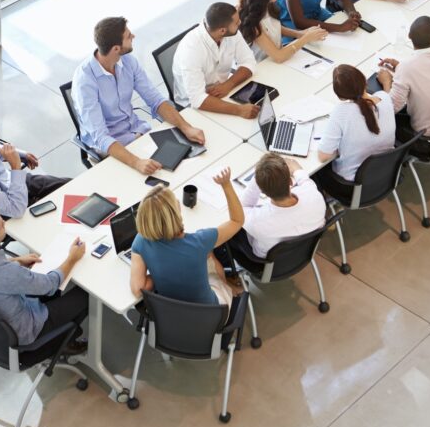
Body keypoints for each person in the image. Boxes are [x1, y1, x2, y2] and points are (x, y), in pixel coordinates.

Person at [72, 17, 206, 176]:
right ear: (116, 48)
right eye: (129, 36)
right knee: (155, 180)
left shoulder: (127, 61)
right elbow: (101, 137)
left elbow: (155, 99)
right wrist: (137, 162)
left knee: (186, 164)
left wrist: (186, 127)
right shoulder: (84, 82)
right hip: (110, 147)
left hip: (136, 130)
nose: (133, 36)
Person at [0, 206, 89, 357]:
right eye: (2, 225)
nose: (5, 223)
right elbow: (50, 285)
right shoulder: (6, 274)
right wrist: (72, 258)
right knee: (86, 294)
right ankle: (64, 342)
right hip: (27, 329)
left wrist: (17, 261)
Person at [129, 168, 242, 306]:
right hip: (212, 317)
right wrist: (226, 185)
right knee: (209, 255)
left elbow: (137, 289)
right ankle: (229, 288)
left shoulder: (140, 241)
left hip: (171, 316)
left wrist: (162, 272)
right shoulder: (201, 241)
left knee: (204, 254)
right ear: (176, 213)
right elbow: (237, 221)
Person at [316, 65, 397, 200]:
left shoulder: (341, 112)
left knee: (315, 172)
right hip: (385, 175)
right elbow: (385, 96)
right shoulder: (385, 99)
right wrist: (387, 83)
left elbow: (323, 156)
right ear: (365, 82)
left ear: (340, 97)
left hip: (351, 186)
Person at [376, 16, 430, 138]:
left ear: (409, 37)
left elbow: (391, 108)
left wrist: (386, 82)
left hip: (427, 136)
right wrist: (401, 68)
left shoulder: (407, 67)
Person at [172, 2, 260, 119]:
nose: (240, 23)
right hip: (194, 107)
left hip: (224, 92)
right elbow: (197, 99)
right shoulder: (191, 49)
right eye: (236, 23)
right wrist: (239, 110)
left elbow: (249, 62)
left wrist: (228, 85)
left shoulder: (232, 33)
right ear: (222, 31)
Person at [230, 153, 327, 259]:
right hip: (303, 253)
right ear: (290, 181)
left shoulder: (257, 221)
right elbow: (305, 180)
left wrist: (258, 178)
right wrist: (296, 170)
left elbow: (242, 207)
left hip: (267, 261)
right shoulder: (314, 195)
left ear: (262, 191)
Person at [238, 0, 327, 62]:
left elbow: (274, 26)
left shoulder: (266, 5)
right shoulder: (253, 23)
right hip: (264, 65)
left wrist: (299, 34)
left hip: (277, 58)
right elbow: (279, 57)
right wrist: (306, 38)